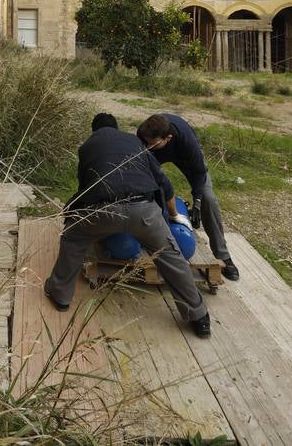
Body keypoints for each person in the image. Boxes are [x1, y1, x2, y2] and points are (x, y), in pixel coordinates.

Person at [44, 113, 211, 338]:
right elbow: (164, 184)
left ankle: (60, 295)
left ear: (94, 131)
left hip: (100, 210)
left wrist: (73, 212)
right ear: (117, 127)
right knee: (171, 257)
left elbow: (85, 187)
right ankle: (199, 317)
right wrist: (174, 216)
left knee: (73, 239)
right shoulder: (135, 142)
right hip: (144, 211)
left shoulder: (86, 148)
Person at [136, 113, 239, 281]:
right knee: (147, 191)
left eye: (152, 143)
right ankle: (147, 238)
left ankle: (224, 257)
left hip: (185, 158)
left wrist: (197, 202)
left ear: (168, 138)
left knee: (208, 198)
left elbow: (199, 174)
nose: (147, 146)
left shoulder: (186, 141)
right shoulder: (144, 136)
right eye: (146, 142)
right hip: (154, 158)